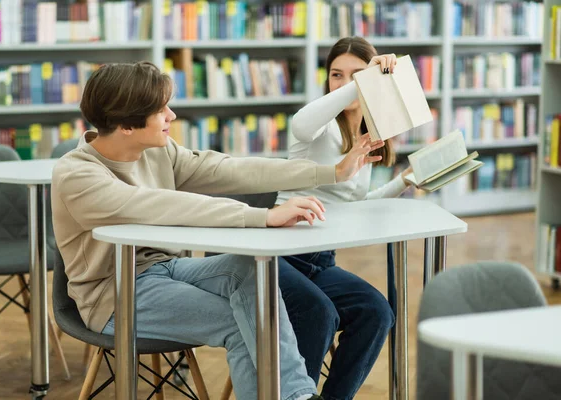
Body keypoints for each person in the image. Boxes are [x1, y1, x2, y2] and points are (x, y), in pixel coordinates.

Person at [50, 61, 385, 400]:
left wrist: (330, 173)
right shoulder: (78, 176)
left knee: (247, 268)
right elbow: (168, 206)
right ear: (126, 125)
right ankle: (298, 396)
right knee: (238, 322)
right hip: (113, 297)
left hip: (166, 270)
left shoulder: (158, 152)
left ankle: (296, 395)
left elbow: (230, 170)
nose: (172, 116)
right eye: (160, 109)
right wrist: (263, 216)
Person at [274, 36, 416, 400]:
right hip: (278, 256)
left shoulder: (368, 133)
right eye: (336, 75)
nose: (344, 83)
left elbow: (353, 202)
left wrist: (406, 180)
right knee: (318, 313)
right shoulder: (315, 128)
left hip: (320, 261)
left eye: (355, 75)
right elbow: (301, 122)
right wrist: (362, 82)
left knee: (377, 312)